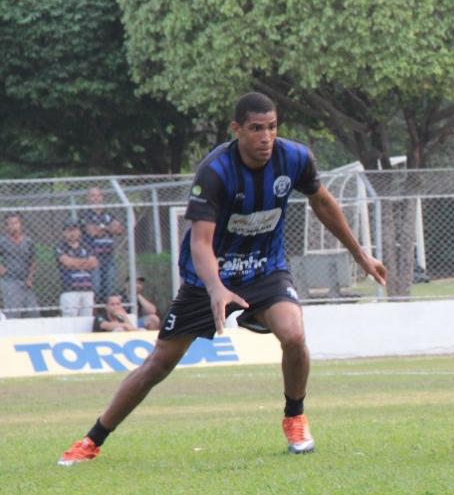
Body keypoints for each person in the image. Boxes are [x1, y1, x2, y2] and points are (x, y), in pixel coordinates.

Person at [58, 92, 387, 466]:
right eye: (256, 129)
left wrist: (360, 253)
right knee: (159, 364)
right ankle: (92, 440)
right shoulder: (215, 171)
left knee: (294, 335)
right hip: (208, 278)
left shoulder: (295, 158)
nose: (266, 137)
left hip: (264, 269)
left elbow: (323, 202)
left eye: (272, 128)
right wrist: (216, 289)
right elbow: (200, 242)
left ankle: (294, 416)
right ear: (237, 129)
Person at [81, 187, 124, 299]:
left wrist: (102, 228)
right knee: (96, 287)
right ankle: (96, 313)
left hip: (108, 256)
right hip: (93, 256)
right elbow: (92, 232)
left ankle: (107, 312)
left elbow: (119, 230)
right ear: (88, 198)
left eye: (98, 195)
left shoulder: (108, 214)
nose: (96, 198)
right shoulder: (85, 214)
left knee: (110, 287)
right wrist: (108, 228)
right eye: (92, 195)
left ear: (102, 197)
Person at [55, 220, 98, 317]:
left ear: (79, 232)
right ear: (64, 233)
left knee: (86, 321)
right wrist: (85, 262)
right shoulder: (61, 247)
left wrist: (75, 263)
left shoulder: (87, 246)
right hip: (70, 290)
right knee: (69, 322)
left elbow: (94, 263)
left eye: (74, 230)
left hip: (87, 289)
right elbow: (67, 262)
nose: (72, 233)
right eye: (69, 231)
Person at [0, 213, 39, 318]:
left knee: (33, 312)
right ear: (6, 226)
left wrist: (30, 278)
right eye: (10, 224)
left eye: (16, 223)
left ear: (20, 224)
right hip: (9, 280)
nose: (13, 226)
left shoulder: (28, 241)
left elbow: (33, 261)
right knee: (13, 313)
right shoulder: (2, 241)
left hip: (26, 281)